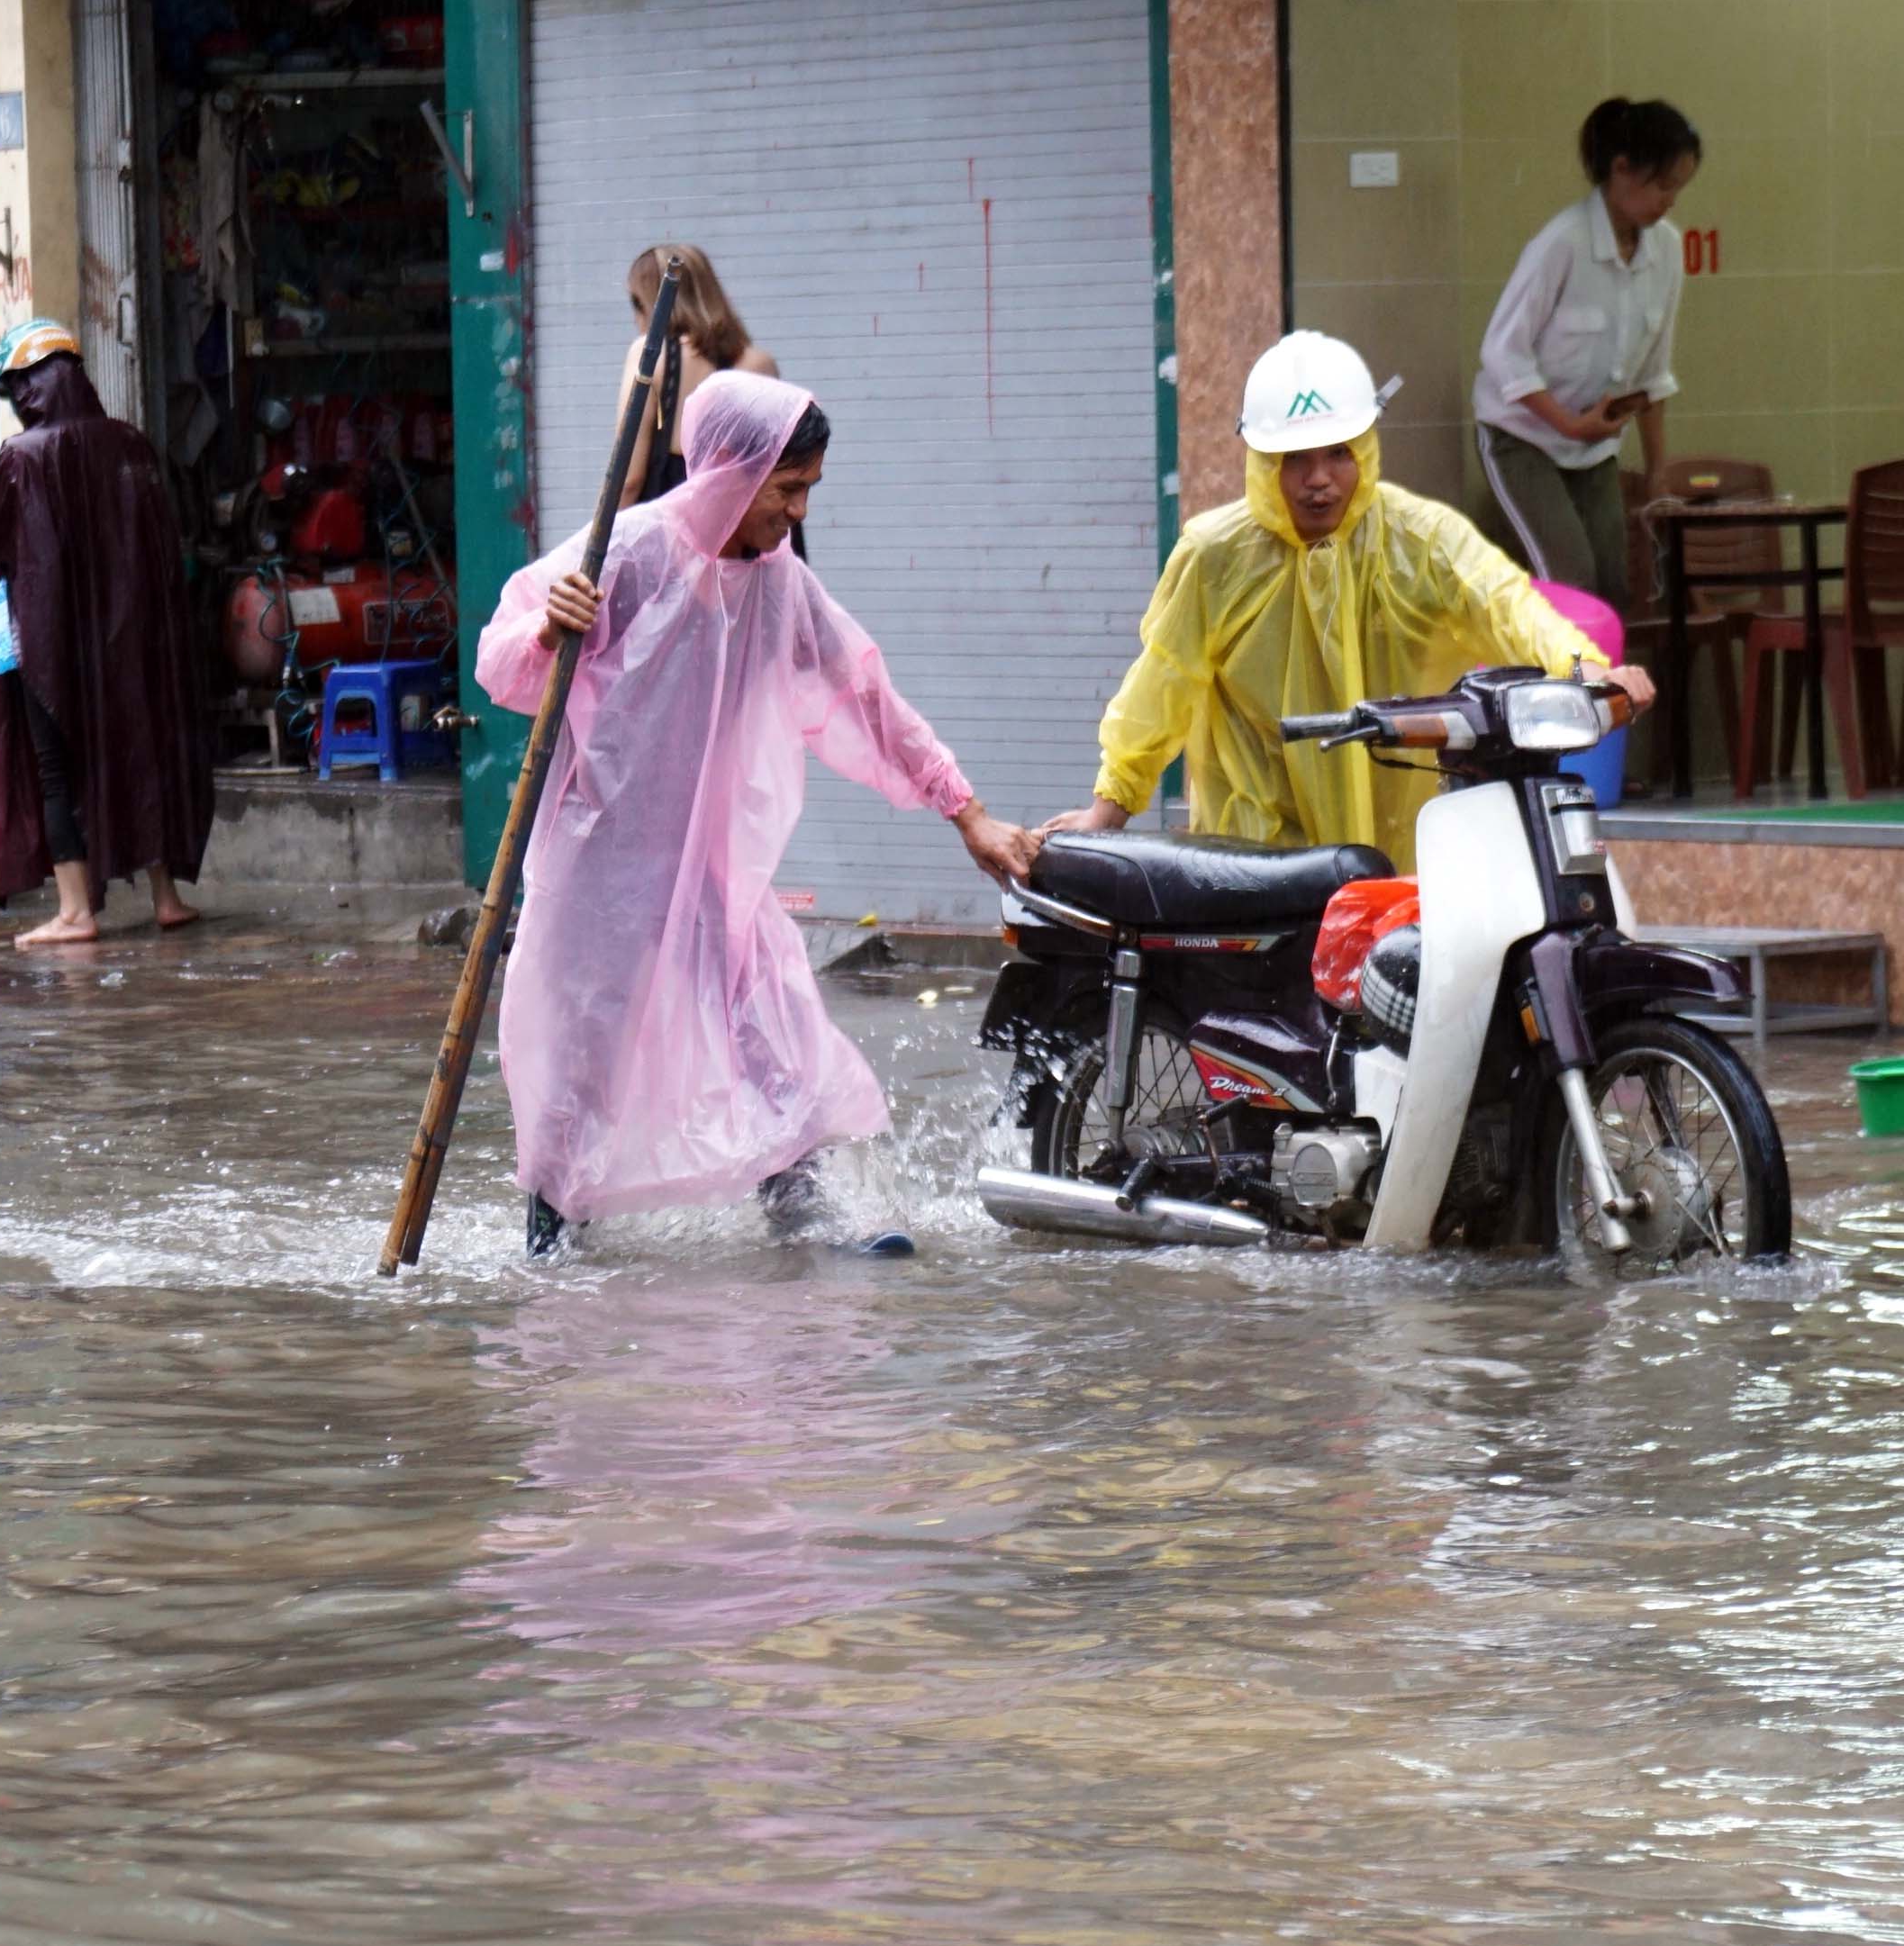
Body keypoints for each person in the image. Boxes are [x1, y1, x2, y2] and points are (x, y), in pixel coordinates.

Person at [479, 372, 1038, 1259]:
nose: (797, 511)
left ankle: (800, 1209)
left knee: (765, 1022)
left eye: (807, 489)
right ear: (731, 474)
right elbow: (499, 663)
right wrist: (548, 628)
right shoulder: (623, 555)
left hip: (710, 863)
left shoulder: (780, 584)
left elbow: (867, 697)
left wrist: (964, 812)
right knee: (582, 1050)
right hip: (600, 862)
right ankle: (552, 1231)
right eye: (787, 489)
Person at [1050, 332, 1659, 871]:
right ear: (1262, 464)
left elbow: (1503, 602)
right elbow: (1162, 684)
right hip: (1258, 866)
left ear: (1365, 449)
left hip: (1398, 859)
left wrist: (1584, 669)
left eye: (1339, 452)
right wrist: (1110, 809)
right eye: (1296, 460)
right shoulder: (1214, 557)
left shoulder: (1420, 539)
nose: (1320, 479)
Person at [0, 319, 215, 947]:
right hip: (130, 644)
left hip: (50, 647)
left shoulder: (22, 458)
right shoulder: (132, 445)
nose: (20, 400)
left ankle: (76, 911)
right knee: (142, 751)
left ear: (33, 387)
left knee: (56, 769)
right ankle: (166, 897)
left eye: (20, 385)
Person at [1472, 97, 1703, 611]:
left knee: (1613, 589)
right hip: (1522, 437)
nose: (1670, 202)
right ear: (1621, 170)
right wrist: (1567, 425)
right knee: (1572, 582)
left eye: (1678, 189)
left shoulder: (1667, 250)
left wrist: (1659, 468)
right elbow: (1502, 352)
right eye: (1662, 186)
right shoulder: (1562, 242)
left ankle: (1604, 692)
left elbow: (1654, 374)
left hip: (1594, 446)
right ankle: (1563, 693)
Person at [613, 243, 778, 508]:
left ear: (650, 304)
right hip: (735, 531)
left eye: (637, 303)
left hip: (670, 529)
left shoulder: (650, 354)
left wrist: (606, 542)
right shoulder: (759, 364)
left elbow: (628, 478)